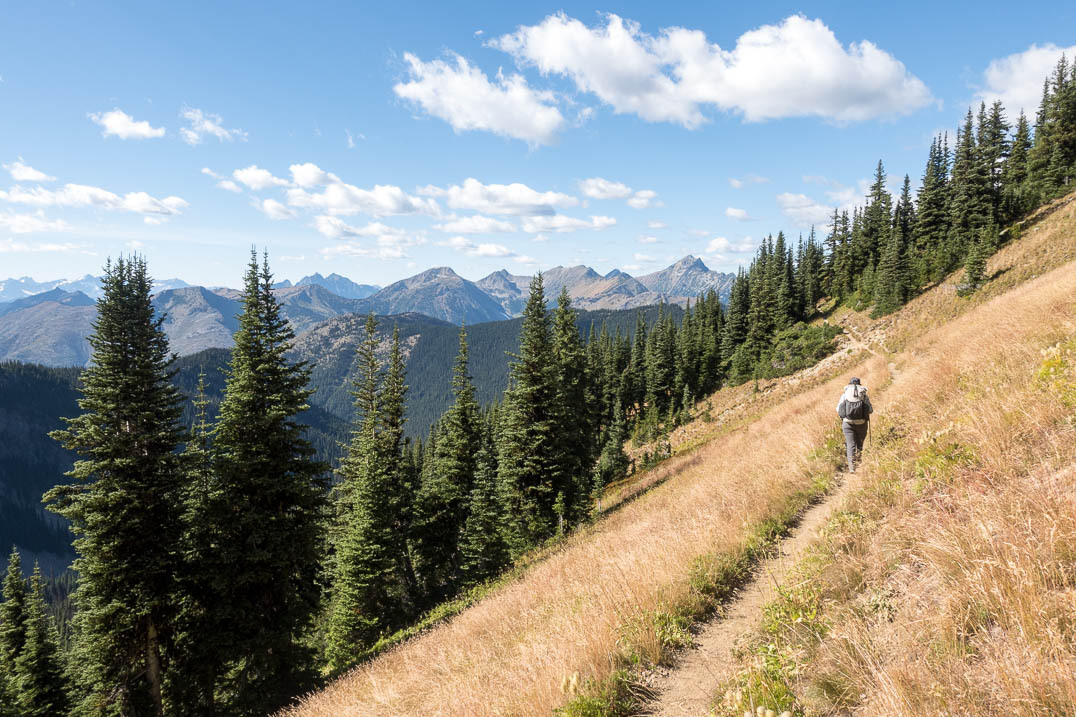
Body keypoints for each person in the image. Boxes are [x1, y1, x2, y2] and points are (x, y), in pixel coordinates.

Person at [836, 377, 873, 473]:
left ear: (850, 385)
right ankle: (859, 461)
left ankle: (852, 468)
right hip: (861, 423)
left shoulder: (845, 394)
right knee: (860, 444)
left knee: (850, 444)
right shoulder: (864, 395)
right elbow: (870, 410)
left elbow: (838, 409)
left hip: (847, 423)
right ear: (859, 385)